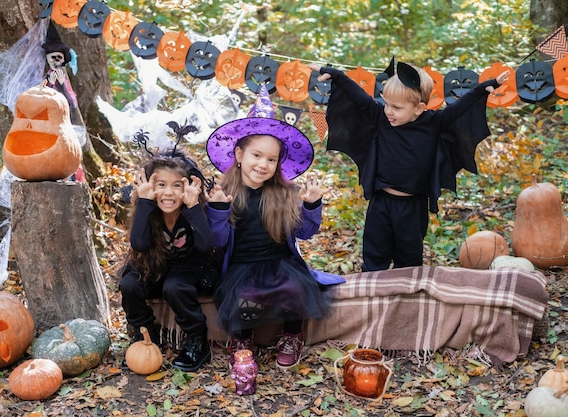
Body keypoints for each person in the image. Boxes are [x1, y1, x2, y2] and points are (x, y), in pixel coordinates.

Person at [308, 61, 510, 272]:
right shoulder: (381, 118)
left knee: (409, 260)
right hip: (381, 203)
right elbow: (359, 97)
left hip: (413, 207)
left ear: (419, 108)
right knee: (374, 256)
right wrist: (337, 75)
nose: (388, 111)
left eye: (396, 107)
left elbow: (460, 108)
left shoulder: (434, 122)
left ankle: (406, 299)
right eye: (386, 104)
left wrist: (483, 88)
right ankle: (373, 296)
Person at [205, 87, 344, 370]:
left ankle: (292, 335)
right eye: (257, 155)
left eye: (271, 159)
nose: (263, 164)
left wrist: (310, 206)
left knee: (295, 288)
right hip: (242, 265)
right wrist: (218, 210)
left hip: (280, 262)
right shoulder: (225, 192)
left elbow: (304, 232)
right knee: (243, 296)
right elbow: (217, 240)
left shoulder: (284, 192)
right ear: (240, 153)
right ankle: (241, 340)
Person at [119, 151, 219, 372]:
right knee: (129, 284)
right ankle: (146, 333)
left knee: (175, 286)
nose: (168, 192)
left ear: (188, 188)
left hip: (188, 267)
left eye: (177, 186)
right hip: (153, 264)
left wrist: (193, 208)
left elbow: (205, 245)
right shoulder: (148, 210)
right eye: (161, 184)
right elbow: (139, 244)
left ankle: (195, 339)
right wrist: (145, 202)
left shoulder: (192, 211)